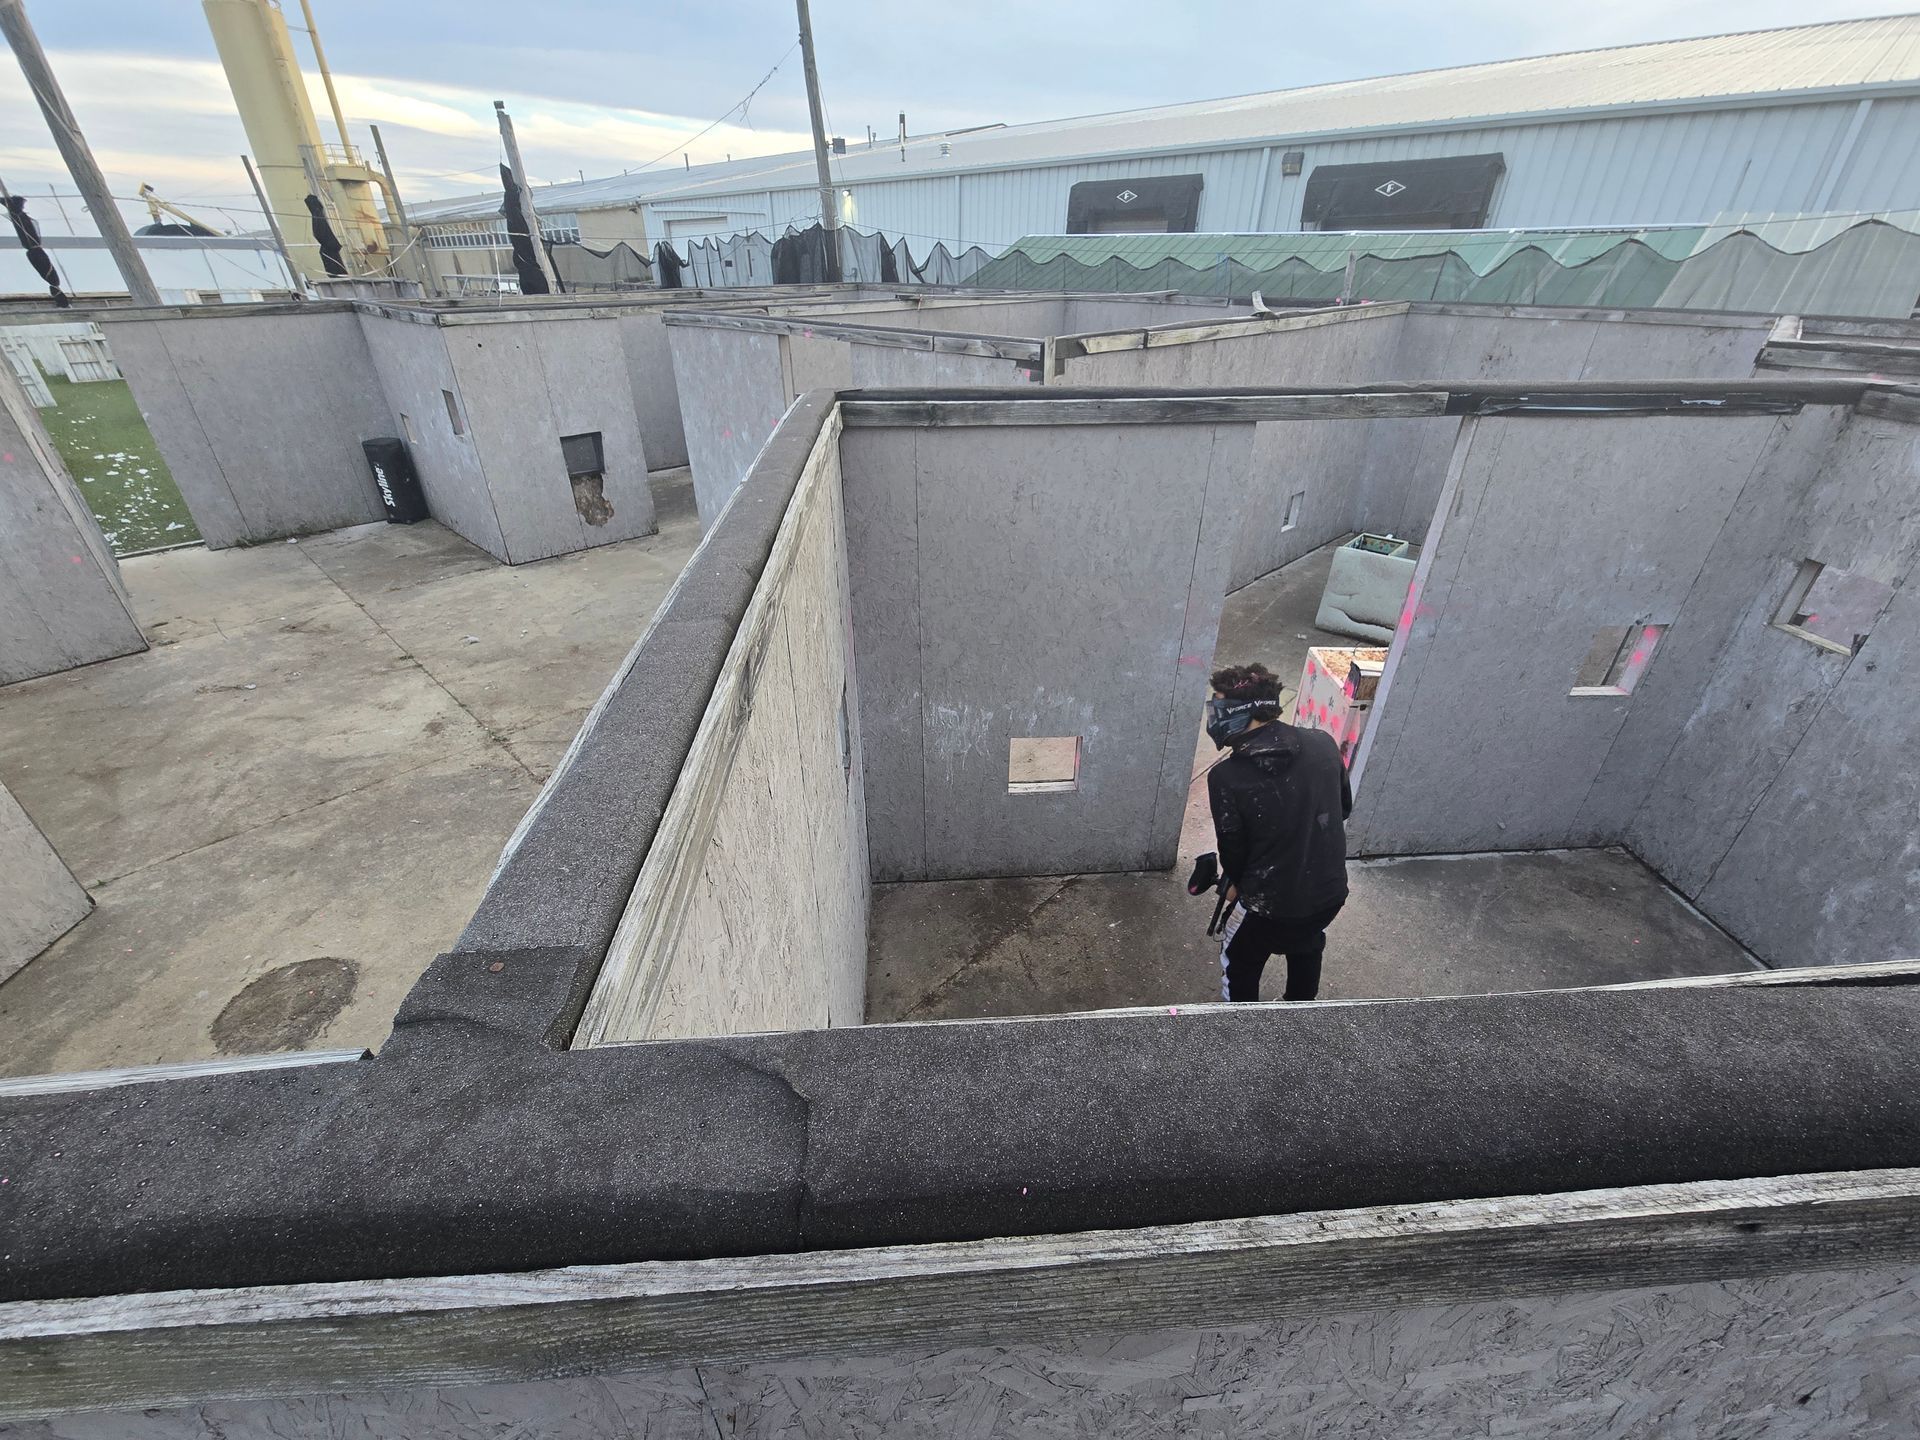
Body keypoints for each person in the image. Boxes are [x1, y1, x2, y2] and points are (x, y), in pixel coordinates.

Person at [1204, 662, 1352, 1003]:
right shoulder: (1323, 744)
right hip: (1329, 895)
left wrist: (1234, 886)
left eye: (1220, 706)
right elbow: (1343, 808)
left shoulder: (1227, 778)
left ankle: (1242, 1033)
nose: (1213, 716)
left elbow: (1234, 853)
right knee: (1307, 941)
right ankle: (1298, 1012)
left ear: (1245, 712)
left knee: (1238, 959)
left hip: (1266, 908)